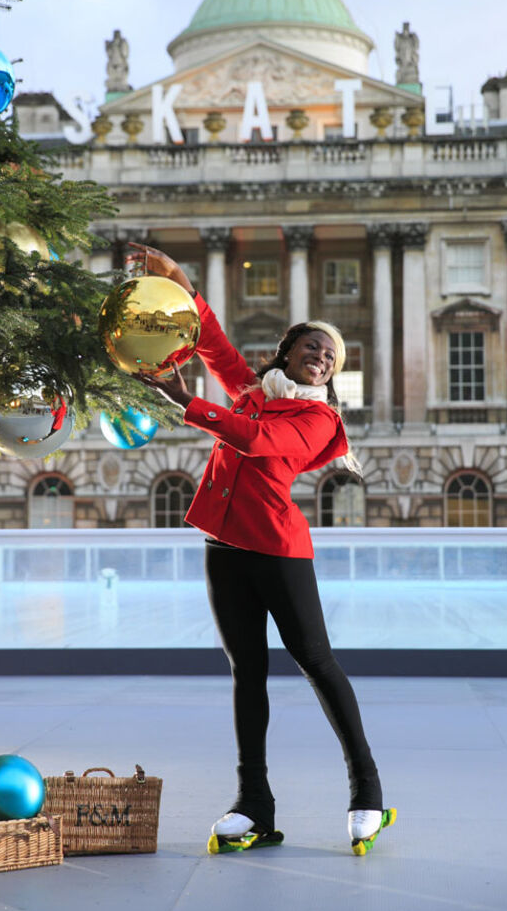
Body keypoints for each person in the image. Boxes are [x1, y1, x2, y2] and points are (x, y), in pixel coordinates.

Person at [126, 242, 395, 856]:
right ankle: (255, 804)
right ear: (288, 352)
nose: (323, 357)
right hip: (223, 546)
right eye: (313, 347)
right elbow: (214, 344)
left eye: (332, 356)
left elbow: (255, 439)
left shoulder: (320, 421)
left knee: (317, 664)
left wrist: (182, 400)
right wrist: (180, 283)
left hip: (279, 552)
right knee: (247, 672)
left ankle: (368, 792)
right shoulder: (254, 388)